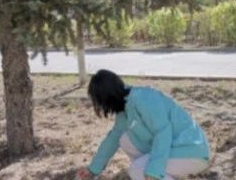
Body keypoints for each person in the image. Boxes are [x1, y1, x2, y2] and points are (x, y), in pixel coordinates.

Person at [76, 70, 210, 180]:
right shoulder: (124, 106)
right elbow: (113, 138)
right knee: (124, 139)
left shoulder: (143, 98)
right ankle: (159, 175)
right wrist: (92, 170)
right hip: (173, 149)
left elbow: (163, 132)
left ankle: (154, 175)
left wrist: (154, 170)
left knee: (137, 170)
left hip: (191, 150)